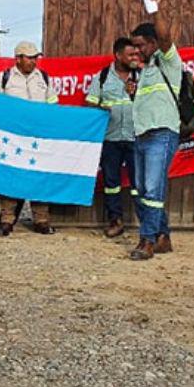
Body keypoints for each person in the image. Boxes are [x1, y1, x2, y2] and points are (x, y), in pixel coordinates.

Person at [127, 0, 185, 261]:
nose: (137, 51)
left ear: (153, 43)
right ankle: (163, 237)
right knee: (142, 190)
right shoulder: (145, 71)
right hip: (141, 135)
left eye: (140, 45)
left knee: (152, 189)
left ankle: (147, 240)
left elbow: (165, 36)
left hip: (161, 135)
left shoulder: (168, 60)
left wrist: (155, 9)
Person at [0, 40, 58, 236]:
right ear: (18, 59)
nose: (33, 61)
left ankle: (41, 220)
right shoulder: (4, 78)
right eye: (29, 58)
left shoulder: (43, 78)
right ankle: (7, 220)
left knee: (39, 176)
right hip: (12, 138)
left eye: (35, 58)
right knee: (10, 177)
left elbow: (53, 104)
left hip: (37, 137)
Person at [86, 38, 142, 238]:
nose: (134, 58)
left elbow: (150, 103)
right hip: (110, 138)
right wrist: (102, 108)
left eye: (136, 54)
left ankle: (146, 224)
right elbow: (91, 103)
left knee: (139, 183)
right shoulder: (102, 77)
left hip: (136, 137)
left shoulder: (142, 76)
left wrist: (136, 95)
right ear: (118, 55)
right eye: (130, 54)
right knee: (111, 183)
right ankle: (115, 221)